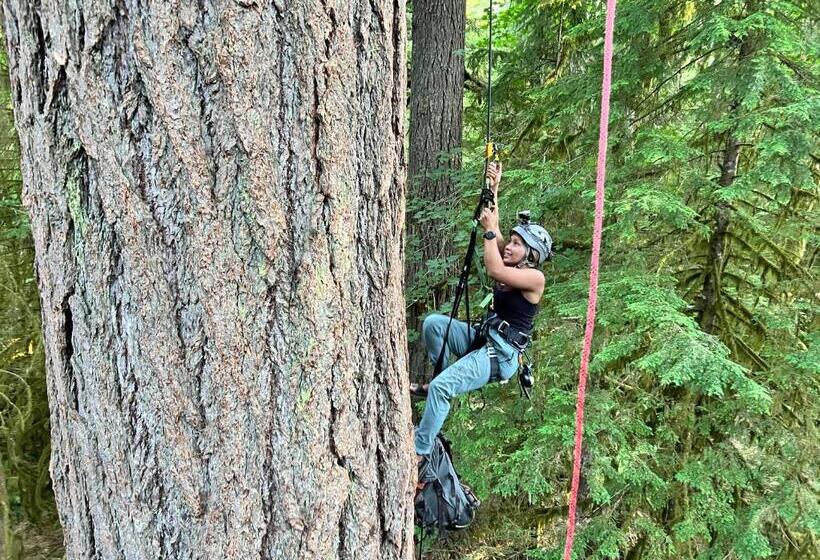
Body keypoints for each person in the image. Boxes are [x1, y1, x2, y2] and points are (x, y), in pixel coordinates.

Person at [410, 162, 553, 464]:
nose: (509, 246)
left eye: (517, 244)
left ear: (532, 255)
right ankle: (441, 376)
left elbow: (493, 265)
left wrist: (489, 232)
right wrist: (494, 187)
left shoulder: (534, 279)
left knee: (442, 389)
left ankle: (418, 453)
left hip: (499, 356)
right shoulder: (513, 263)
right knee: (434, 325)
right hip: (484, 339)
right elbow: (496, 231)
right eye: (511, 242)